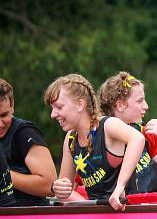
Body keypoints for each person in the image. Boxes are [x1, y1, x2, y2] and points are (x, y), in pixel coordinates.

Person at [46, 74, 146, 210]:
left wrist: (119, 187)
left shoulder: (108, 125)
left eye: (59, 107)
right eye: (52, 108)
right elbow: (66, 190)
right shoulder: (70, 139)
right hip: (98, 215)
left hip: (128, 210)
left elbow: (137, 139)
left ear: (80, 105)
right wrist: (58, 188)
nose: (53, 114)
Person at [98, 72, 157, 194]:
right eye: (140, 101)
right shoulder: (94, 140)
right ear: (120, 106)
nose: (146, 106)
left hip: (148, 210)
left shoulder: (149, 133)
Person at [0, 78, 57, 206]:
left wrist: (4, 175)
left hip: (27, 218)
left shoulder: (24, 133)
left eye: (4, 115)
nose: (0, 124)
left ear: (12, 105)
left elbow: (51, 186)